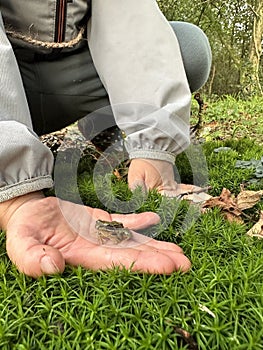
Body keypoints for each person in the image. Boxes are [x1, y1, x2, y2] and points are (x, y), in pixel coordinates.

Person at [0, 1, 212, 277]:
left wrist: (153, 146)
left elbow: (128, 15)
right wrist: (14, 195)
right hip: (10, 73)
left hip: (70, 70)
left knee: (189, 47)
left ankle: (102, 123)